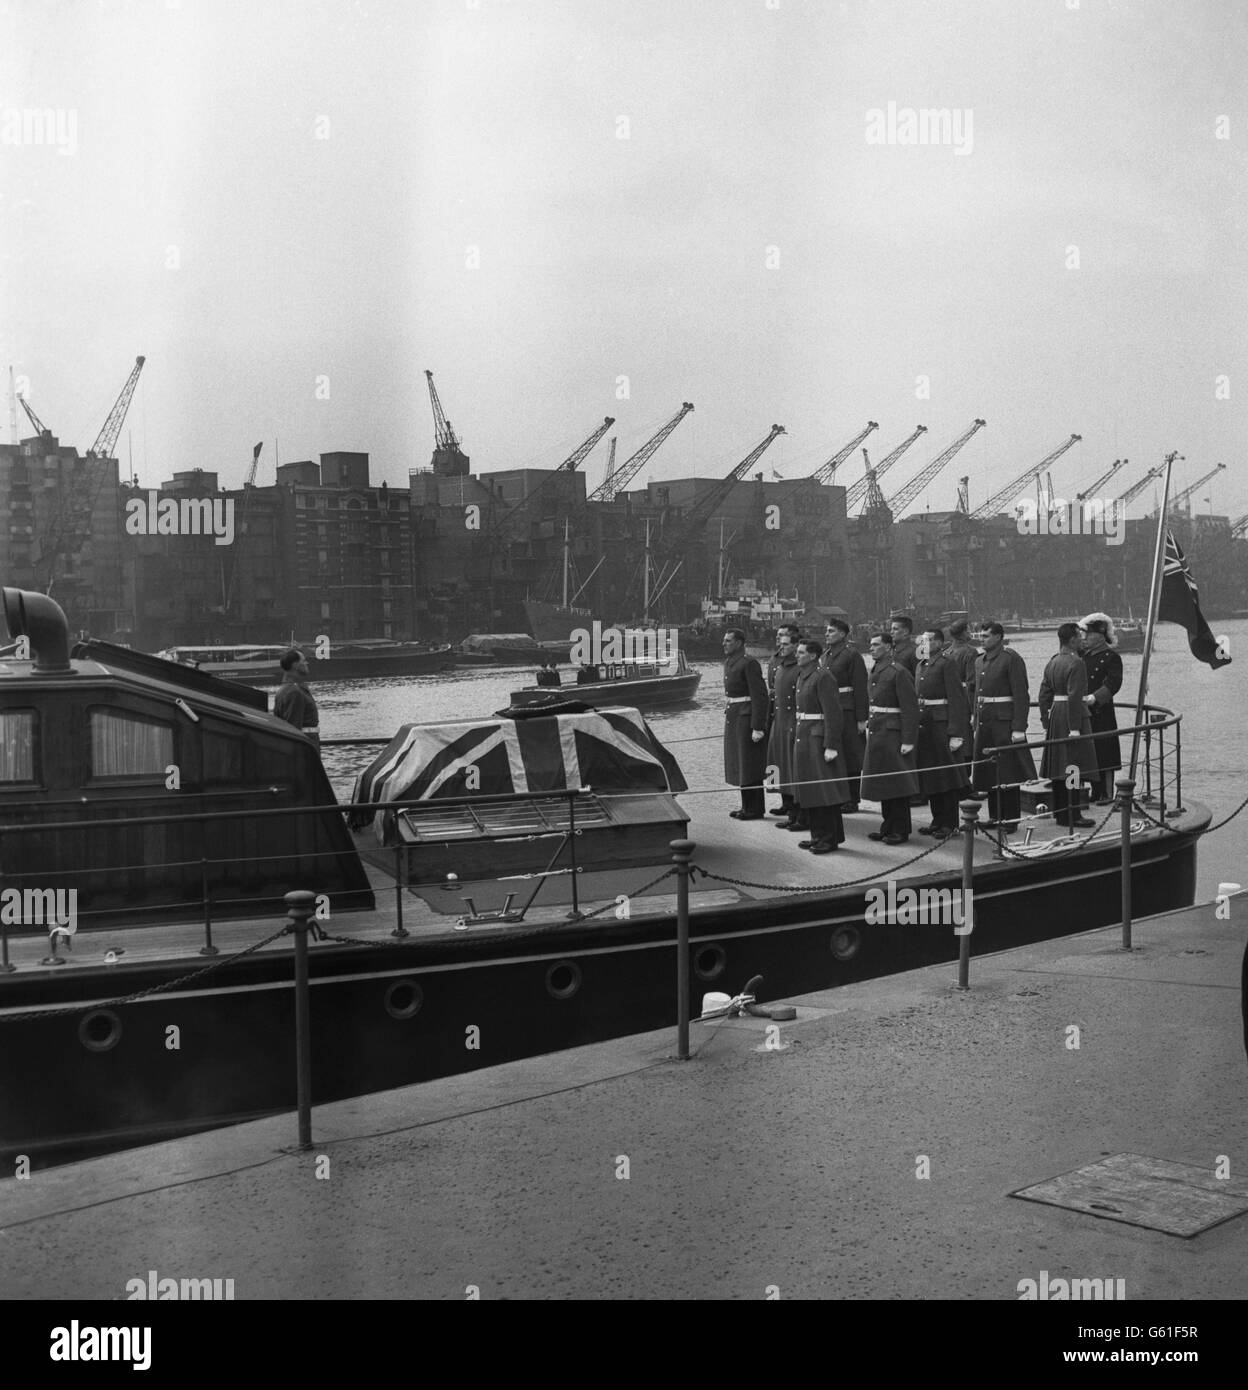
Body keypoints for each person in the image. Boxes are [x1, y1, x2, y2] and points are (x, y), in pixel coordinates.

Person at [970, 622, 1035, 833]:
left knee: (1007, 773)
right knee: (989, 771)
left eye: (987, 635)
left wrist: (1019, 727)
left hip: (1004, 724)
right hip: (985, 722)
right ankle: (995, 816)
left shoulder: (1010, 659)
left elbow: (1021, 694)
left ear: (998, 637)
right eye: (981, 635)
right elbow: (977, 693)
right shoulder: (979, 661)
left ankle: (1010, 819)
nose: (982, 638)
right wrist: (974, 716)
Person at [859, 632, 920, 844]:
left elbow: (910, 709)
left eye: (876, 645)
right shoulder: (875, 670)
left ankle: (900, 830)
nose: (871, 648)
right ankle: (887, 826)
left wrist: (908, 740)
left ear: (888, 647)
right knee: (884, 782)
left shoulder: (898, 672)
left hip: (893, 734)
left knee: (898, 784)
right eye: (870, 644)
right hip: (878, 733)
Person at [791, 639, 851, 853]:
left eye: (800, 652)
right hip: (805, 736)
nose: (796, 655)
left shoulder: (823, 677)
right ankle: (817, 835)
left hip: (818, 738)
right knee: (811, 789)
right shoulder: (803, 676)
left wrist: (831, 745)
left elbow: (833, 713)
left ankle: (829, 838)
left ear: (813, 656)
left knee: (825, 791)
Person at [914, 627, 971, 839]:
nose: (923, 644)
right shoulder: (922, 665)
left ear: (938, 643)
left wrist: (956, 732)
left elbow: (957, 699)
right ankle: (937, 820)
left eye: (927, 641)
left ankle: (950, 823)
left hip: (942, 726)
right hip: (926, 727)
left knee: (946, 779)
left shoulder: (947, 664)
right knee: (931, 778)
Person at [1038, 623, 1097, 829]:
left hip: (1056, 716)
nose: (1082, 640)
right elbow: (1074, 697)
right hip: (1072, 717)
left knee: (1058, 768)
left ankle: (1061, 813)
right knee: (1073, 766)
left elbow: (1043, 694)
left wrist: (1046, 721)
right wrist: (1074, 727)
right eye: (1079, 637)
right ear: (1072, 640)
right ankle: (1074, 813)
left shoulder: (1053, 662)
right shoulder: (1076, 663)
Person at [820, 616, 869, 812]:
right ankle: (838, 795)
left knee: (851, 754)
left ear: (842, 634)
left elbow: (860, 688)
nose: (827, 634)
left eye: (831, 631)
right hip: (830, 711)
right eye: (827, 631)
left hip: (847, 710)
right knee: (834, 753)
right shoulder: (825, 656)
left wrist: (861, 718)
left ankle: (852, 799)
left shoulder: (852, 656)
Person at [722, 627, 768, 819]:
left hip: (745, 717)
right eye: (724, 640)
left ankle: (755, 808)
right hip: (734, 717)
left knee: (750, 763)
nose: (724, 644)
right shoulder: (730, 662)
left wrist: (757, 726)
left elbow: (759, 696)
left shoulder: (749, 663)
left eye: (728, 641)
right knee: (740, 762)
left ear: (739, 643)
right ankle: (746, 805)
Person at [1079, 612, 1124, 803]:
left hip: (1101, 711)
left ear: (1100, 635)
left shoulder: (1111, 657)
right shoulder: (1083, 656)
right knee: (1087, 752)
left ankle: (1105, 793)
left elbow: (1114, 683)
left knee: (1105, 753)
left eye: (1088, 634)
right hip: (1083, 712)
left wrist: (1095, 697)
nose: (1085, 638)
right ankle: (1091, 791)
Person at [766, 628, 805, 830]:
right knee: (779, 765)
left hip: (792, 723)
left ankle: (800, 813)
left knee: (793, 769)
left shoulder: (799, 669)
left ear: (796, 646)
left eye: (786, 644)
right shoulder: (780, 667)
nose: (782, 647)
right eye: (780, 644)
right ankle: (789, 808)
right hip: (779, 722)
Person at [273, 648, 319, 745]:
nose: (307, 663)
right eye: (303, 660)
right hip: (306, 746)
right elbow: (293, 730)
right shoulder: (294, 692)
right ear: (295, 665)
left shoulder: (286, 689)